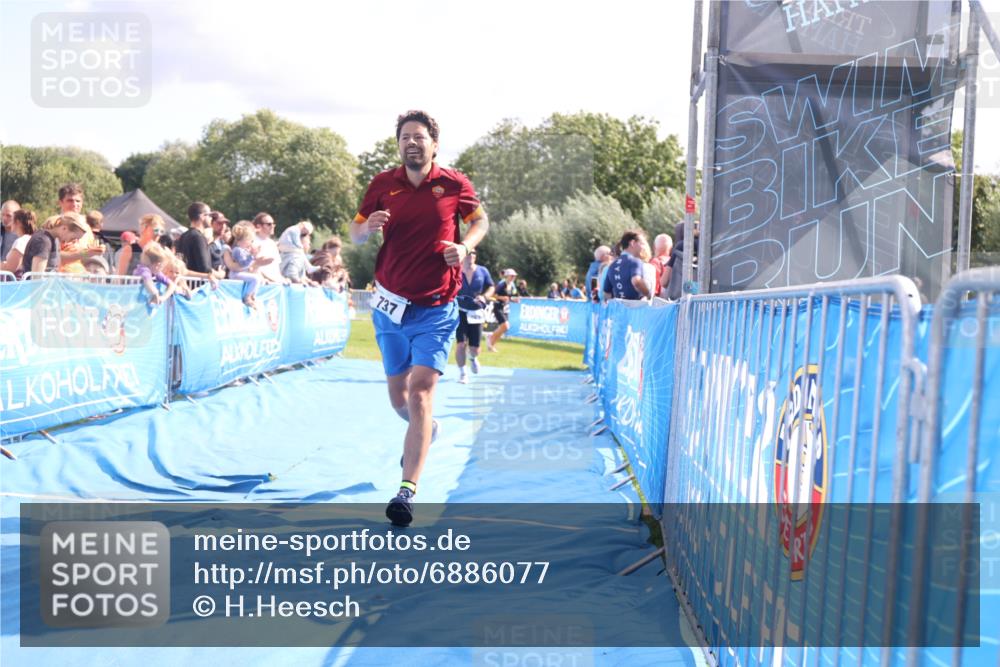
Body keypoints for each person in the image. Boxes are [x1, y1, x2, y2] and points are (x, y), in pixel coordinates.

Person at [350, 109, 488, 527]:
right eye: (405, 137)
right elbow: (355, 232)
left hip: (436, 308)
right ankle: (426, 431)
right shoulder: (382, 185)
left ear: (434, 144)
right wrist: (367, 227)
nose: (412, 142)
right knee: (399, 399)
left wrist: (465, 247)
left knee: (421, 393)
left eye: (419, 136)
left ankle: (406, 491)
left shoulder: (452, 184)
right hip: (390, 305)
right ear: (399, 144)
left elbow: (479, 220)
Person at [454, 250, 494, 384]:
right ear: (464, 255)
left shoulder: (483, 271)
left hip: (476, 313)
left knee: (474, 348)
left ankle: (473, 358)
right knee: (461, 344)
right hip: (460, 311)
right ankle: (463, 373)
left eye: (474, 253)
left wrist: (485, 296)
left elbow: (491, 287)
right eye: (469, 253)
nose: (471, 255)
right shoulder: (456, 269)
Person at [20, 212, 89, 275]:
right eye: (73, 238)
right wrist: (87, 253)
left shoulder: (55, 240)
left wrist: (87, 253)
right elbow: (37, 277)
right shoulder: (43, 241)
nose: (74, 241)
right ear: (64, 228)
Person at [55, 184, 103, 273]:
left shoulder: (86, 227)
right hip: (61, 278)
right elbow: (54, 257)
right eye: (70, 200)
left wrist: (95, 251)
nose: (74, 204)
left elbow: (86, 255)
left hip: (82, 278)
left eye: (78, 201)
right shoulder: (56, 224)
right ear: (60, 202)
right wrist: (85, 253)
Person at [176, 202, 223, 282]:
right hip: (198, 287)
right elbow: (205, 268)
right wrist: (220, 274)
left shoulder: (183, 236)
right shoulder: (198, 237)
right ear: (202, 216)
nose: (211, 219)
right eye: (210, 216)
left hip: (185, 284)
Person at [603, 230, 651, 301]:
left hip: (620, 309)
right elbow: (636, 281)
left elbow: (606, 293)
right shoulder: (635, 261)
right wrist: (648, 294)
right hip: (635, 308)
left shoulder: (612, 265)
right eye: (642, 244)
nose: (643, 248)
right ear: (632, 243)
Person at [229, 221, 262, 308]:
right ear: (244, 240)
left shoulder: (243, 250)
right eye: (250, 241)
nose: (251, 243)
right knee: (256, 279)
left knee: (258, 278)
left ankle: (251, 295)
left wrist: (253, 255)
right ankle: (247, 297)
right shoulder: (237, 250)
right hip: (235, 274)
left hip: (240, 273)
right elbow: (243, 263)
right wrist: (251, 255)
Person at [664, 222, 698, 301]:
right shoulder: (706, 246)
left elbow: (664, 281)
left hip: (680, 299)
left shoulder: (681, 246)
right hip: (701, 297)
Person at [487, 268, 518, 352]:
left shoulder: (512, 285)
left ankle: (491, 345)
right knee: (506, 326)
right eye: (512, 276)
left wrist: (514, 299)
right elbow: (493, 295)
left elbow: (513, 296)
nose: (513, 278)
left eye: (514, 276)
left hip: (505, 308)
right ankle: (490, 338)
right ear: (507, 276)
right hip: (498, 307)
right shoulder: (502, 285)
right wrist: (502, 297)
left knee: (504, 328)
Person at [252, 212, 287, 284]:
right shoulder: (252, 242)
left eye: (273, 224)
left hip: (275, 283)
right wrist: (269, 279)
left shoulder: (272, 244)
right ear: (258, 226)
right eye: (269, 224)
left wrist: (282, 279)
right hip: (261, 283)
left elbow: (276, 267)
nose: (273, 226)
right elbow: (253, 266)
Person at [2, 210, 35, 276]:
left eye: (12, 220)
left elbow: (10, 268)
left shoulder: (21, 241)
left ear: (17, 222)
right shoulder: (29, 238)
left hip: (16, 283)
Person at [649, 233, 673, 299]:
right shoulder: (674, 262)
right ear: (670, 248)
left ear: (654, 247)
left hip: (659, 303)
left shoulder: (655, 263)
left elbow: (653, 289)